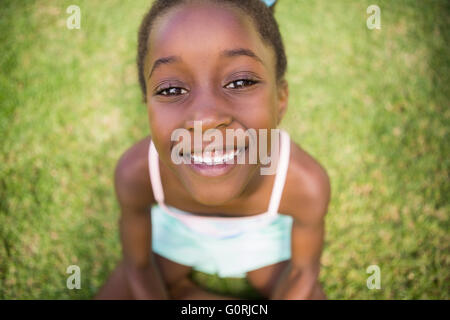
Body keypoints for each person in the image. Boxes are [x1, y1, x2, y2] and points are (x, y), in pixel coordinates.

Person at [95, 0, 330, 300]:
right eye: (171, 90)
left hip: (261, 243)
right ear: (147, 105)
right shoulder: (138, 172)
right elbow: (138, 265)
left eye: (240, 81)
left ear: (280, 99)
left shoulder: (301, 182)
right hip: (176, 238)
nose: (205, 119)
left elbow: (303, 272)